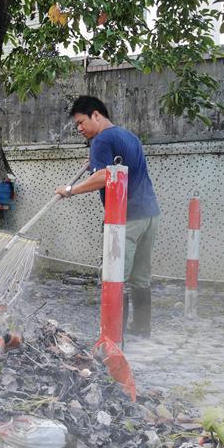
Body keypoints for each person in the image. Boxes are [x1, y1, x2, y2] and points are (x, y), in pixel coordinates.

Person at [55, 95, 159, 337]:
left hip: (126, 219)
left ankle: (114, 335)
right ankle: (142, 329)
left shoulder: (101, 140)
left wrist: (70, 190)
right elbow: (119, 167)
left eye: (81, 122)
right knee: (141, 277)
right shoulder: (128, 136)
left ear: (96, 115)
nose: (79, 128)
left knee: (115, 277)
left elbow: (104, 176)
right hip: (150, 215)